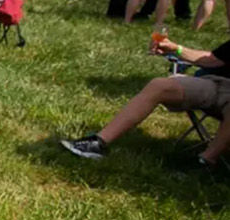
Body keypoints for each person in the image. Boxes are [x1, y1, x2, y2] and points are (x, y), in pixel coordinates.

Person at [61, 35, 229, 167]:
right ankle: (98, 143)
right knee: (159, 85)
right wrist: (176, 49)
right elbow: (212, 59)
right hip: (218, 83)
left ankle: (205, 160)